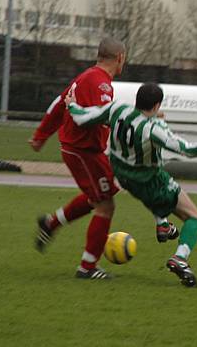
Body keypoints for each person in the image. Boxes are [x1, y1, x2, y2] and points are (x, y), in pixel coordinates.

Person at [65, 82, 197, 287]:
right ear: (156, 105)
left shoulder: (117, 109)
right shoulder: (152, 129)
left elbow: (84, 117)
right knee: (194, 218)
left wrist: (72, 105)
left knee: (153, 198)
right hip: (150, 180)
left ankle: (162, 224)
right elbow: (186, 149)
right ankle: (180, 258)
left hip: (123, 177)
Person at [29, 37, 126, 280]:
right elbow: (103, 116)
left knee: (100, 196)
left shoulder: (85, 77)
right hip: (83, 150)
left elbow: (58, 104)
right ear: (120, 58)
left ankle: (51, 223)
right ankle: (87, 267)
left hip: (82, 149)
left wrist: (42, 134)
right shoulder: (100, 83)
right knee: (105, 205)